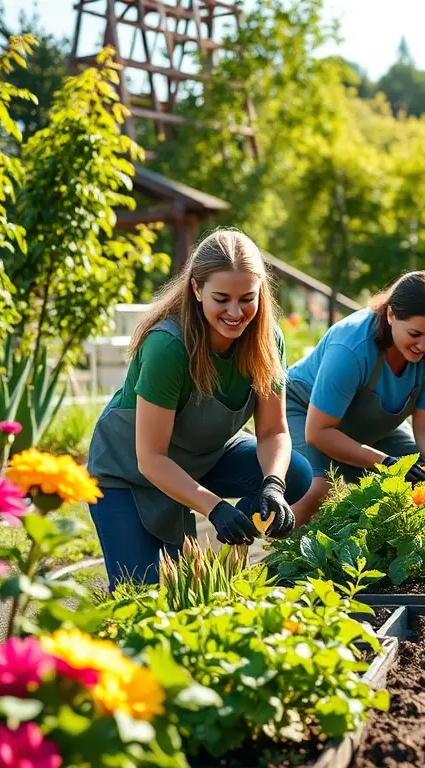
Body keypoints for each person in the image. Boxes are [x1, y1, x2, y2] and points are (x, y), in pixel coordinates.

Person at [86, 229, 313, 591]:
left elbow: (274, 432)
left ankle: (230, 555)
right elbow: (151, 458)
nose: (236, 312)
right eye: (221, 298)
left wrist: (272, 486)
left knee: (295, 473)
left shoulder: (267, 341)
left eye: (247, 299)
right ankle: (210, 541)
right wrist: (215, 507)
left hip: (202, 457)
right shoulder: (168, 346)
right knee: (142, 596)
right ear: (196, 290)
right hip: (128, 471)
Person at [286, 271, 425, 522]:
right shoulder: (351, 347)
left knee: (424, 480)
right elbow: (318, 433)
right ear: (391, 315)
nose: (423, 346)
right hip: (305, 414)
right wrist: (386, 463)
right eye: (415, 334)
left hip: (366, 427)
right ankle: (280, 554)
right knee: (318, 489)